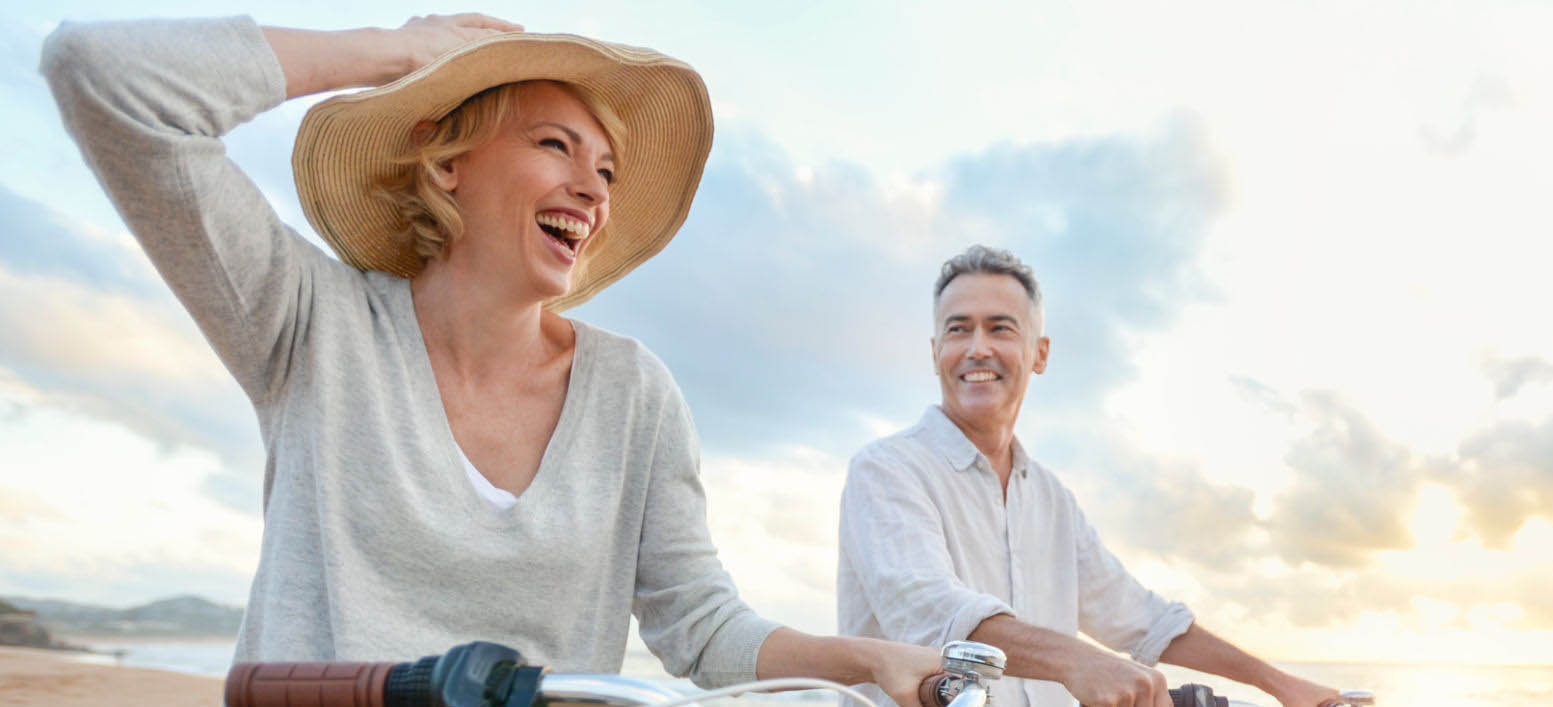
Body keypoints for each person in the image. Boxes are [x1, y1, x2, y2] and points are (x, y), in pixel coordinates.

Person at [42, 13, 935, 704]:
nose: (592, 187)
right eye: (555, 144)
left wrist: (866, 659)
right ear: (448, 163)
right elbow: (103, 76)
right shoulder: (311, 323)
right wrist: (396, 52)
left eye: (609, 171)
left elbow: (701, 625)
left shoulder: (635, 395)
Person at [837, 245, 1342, 707]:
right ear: (934, 352)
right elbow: (934, 617)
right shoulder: (885, 471)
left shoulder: (1052, 498)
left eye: (1000, 328)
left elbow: (1143, 620)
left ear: (1040, 353)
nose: (977, 347)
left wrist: (1279, 684)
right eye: (958, 328)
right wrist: (1079, 660)